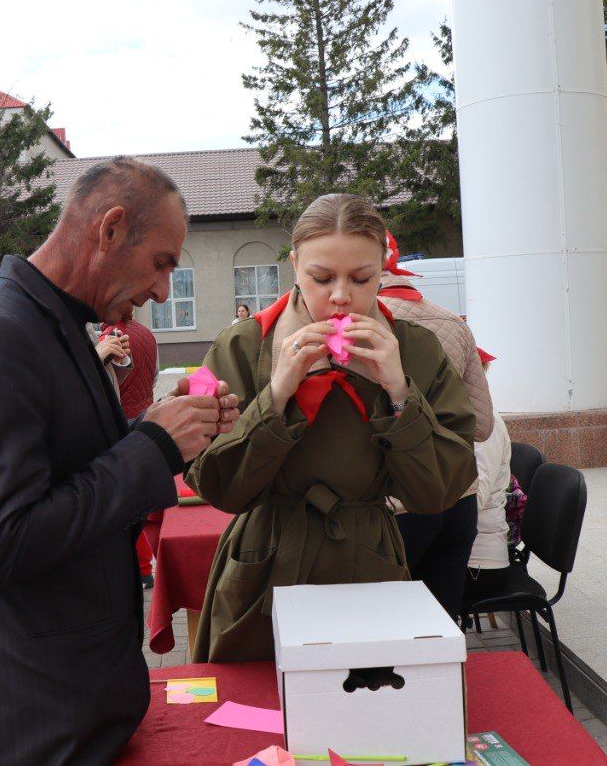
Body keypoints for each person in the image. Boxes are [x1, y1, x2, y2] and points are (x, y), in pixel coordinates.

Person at [0, 157, 241, 764]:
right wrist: (153, 448)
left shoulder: (60, 322)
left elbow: (65, 463)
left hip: (70, 703)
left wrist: (149, 428)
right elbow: (5, 540)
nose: (162, 291)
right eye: (161, 263)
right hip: (33, 720)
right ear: (111, 229)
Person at [187, 193, 477, 663]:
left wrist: (400, 392)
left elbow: (440, 491)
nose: (341, 295)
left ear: (383, 268)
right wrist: (278, 394)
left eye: (361, 278)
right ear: (296, 264)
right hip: (265, 565)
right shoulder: (243, 345)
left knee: (367, 710)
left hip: (368, 563)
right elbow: (217, 486)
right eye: (321, 278)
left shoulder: (415, 349)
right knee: (255, 717)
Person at [380, 232, 495, 617]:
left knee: (386, 628)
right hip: (458, 497)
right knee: (442, 629)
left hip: (397, 506)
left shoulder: (357, 327)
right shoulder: (452, 322)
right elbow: (481, 426)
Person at [99, 317, 161, 588]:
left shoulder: (105, 338)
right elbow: (155, 376)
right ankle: (146, 569)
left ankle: (137, 569)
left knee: (125, 502)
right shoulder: (148, 334)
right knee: (143, 500)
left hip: (120, 423)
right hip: (146, 417)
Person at [466, 350, 511, 594]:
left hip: (480, 564)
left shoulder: (485, 424)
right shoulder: (458, 415)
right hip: (465, 552)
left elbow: (474, 501)